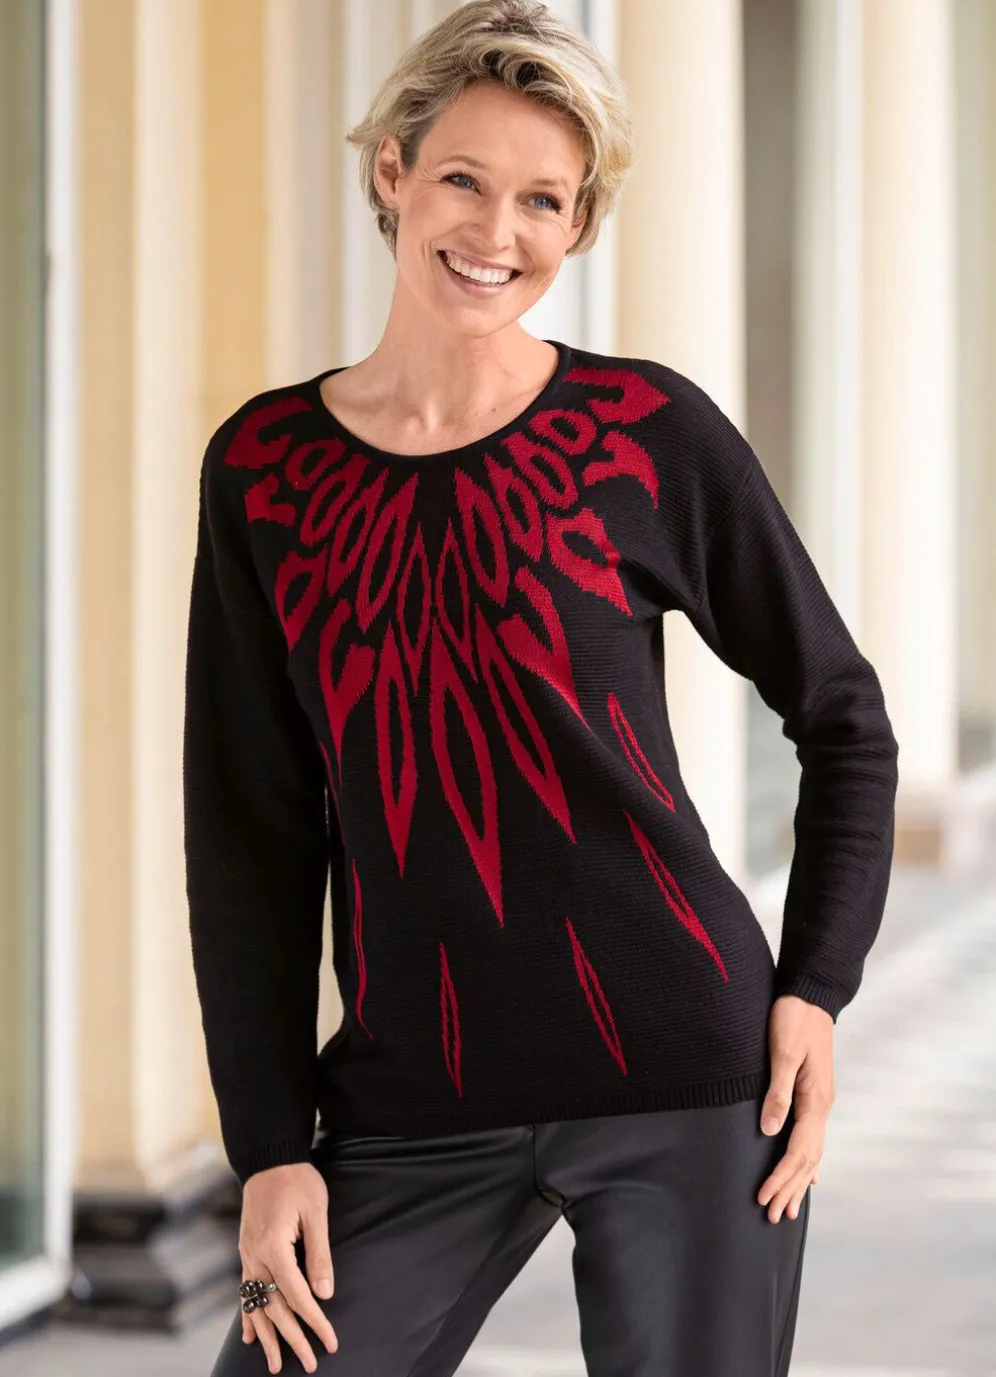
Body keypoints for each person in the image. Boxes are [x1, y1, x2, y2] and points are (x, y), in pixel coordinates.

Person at [183, 2, 899, 1374]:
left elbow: (843, 718)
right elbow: (249, 834)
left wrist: (814, 987)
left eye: (543, 201)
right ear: (392, 170)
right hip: (407, 1097)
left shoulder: (644, 435)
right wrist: (269, 1147)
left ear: (579, 224)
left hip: (686, 1071)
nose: (495, 232)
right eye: (463, 178)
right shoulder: (265, 471)